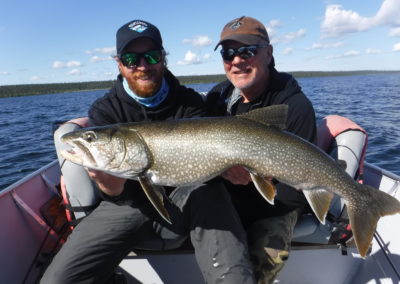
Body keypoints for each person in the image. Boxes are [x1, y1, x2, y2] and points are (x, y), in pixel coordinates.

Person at [41, 19, 255, 284]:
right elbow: (114, 193)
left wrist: (228, 170)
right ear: (119, 63)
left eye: (152, 56)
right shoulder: (105, 110)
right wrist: (110, 186)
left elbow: (206, 171)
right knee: (59, 279)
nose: (142, 66)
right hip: (126, 205)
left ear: (163, 59)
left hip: (188, 196)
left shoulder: (190, 102)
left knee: (212, 197)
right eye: (132, 58)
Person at [206, 16, 317, 283]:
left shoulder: (296, 106)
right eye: (228, 53)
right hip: (227, 199)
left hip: (279, 204)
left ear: (268, 53)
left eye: (247, 51)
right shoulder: (216, 99)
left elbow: (296, 194)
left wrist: (248, 198)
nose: (237, 60)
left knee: (270, 253)